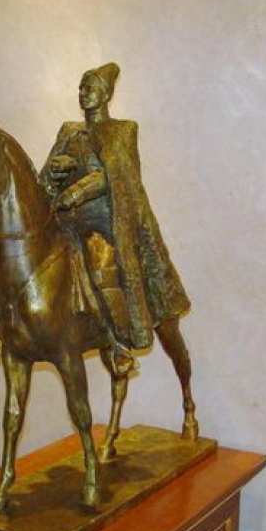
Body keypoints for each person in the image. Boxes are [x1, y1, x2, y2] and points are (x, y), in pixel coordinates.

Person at [41, 63, 191, 376]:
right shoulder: (69, 130)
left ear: (107, 94)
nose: (83, 93)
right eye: (81, 88)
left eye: (90, 88)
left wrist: (78, 191)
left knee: (101, 268)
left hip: (105, 222)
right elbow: (46, 181)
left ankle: (119, 341)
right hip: (67, 222)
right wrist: (58, 170)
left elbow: (118, 176)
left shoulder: (124, 130)